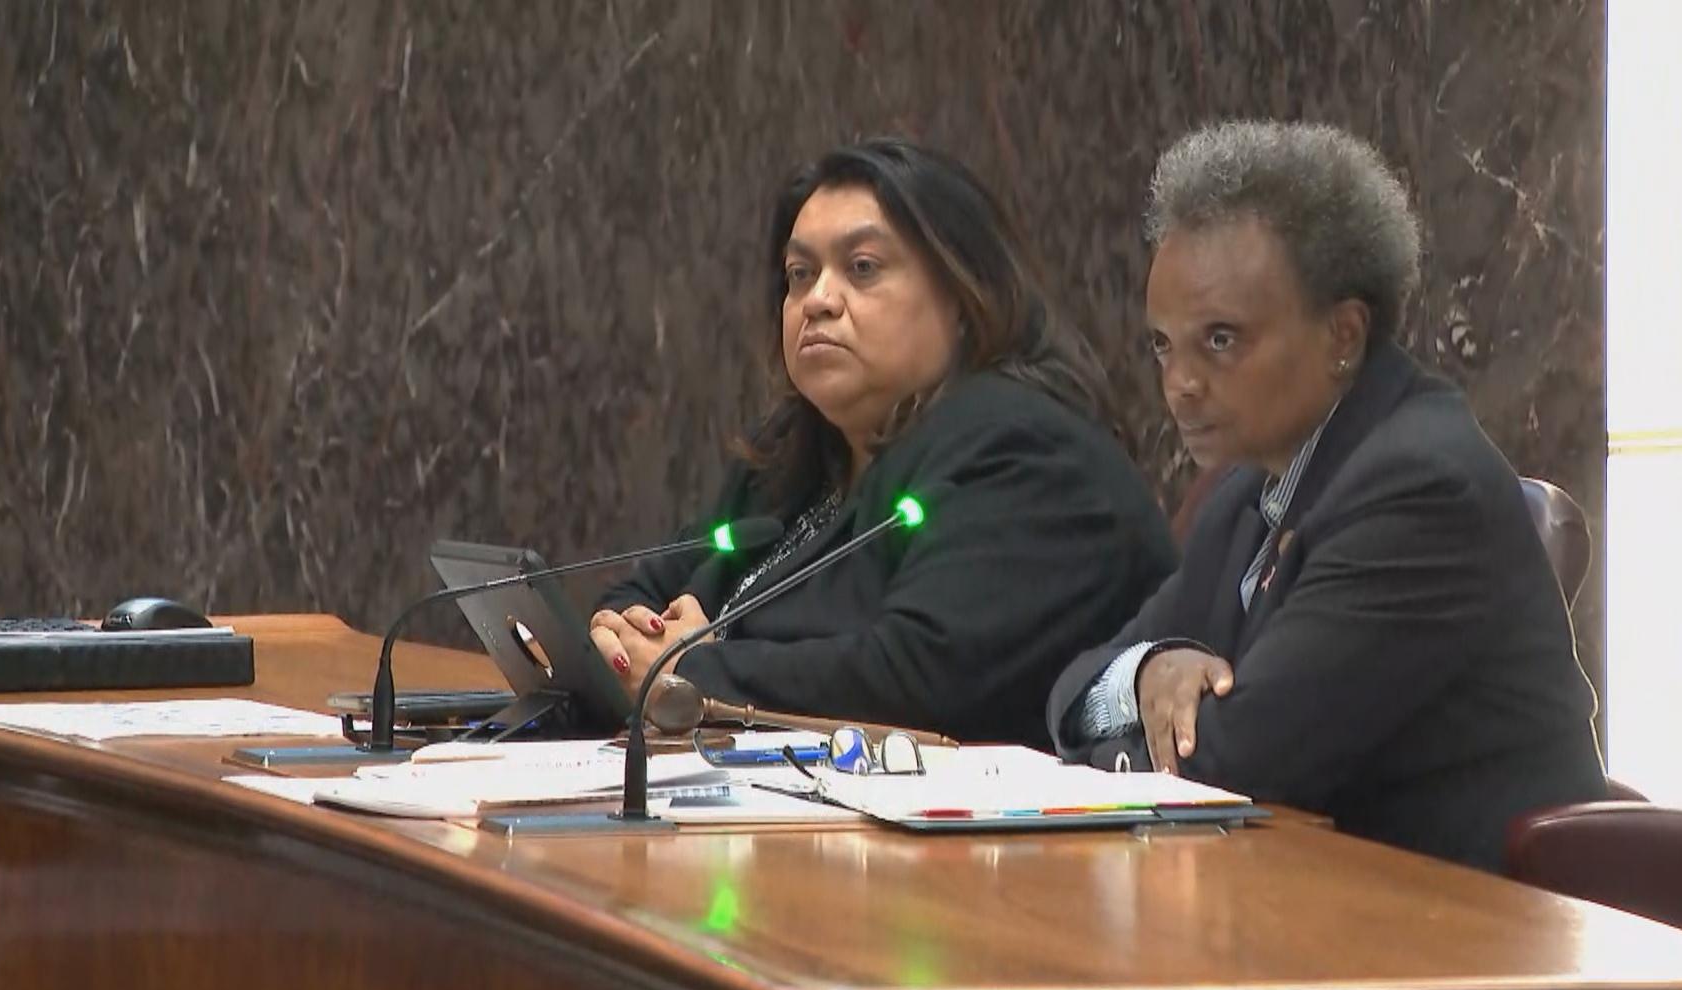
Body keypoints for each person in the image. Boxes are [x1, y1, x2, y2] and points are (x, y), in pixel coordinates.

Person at [1047, 120, 1606, 870]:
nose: (1179, 383)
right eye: (1162, 344)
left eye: (1220, 340)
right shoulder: (1247, 491)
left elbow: (1234, 765)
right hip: (1314, 911)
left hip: (1467, 943)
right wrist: (1147, 673)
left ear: (1343, 334)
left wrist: (1137, 730)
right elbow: (1070, 690)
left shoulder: (1421, 489)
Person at [593, 137, 1176, 749]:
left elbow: (920, 677)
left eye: (862, 268)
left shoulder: (1024, 450)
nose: (817, 299)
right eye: (800, 274)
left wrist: (685, 670)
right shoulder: (797, 456)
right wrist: (632, 643)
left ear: (960, 295)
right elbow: (639, 590)